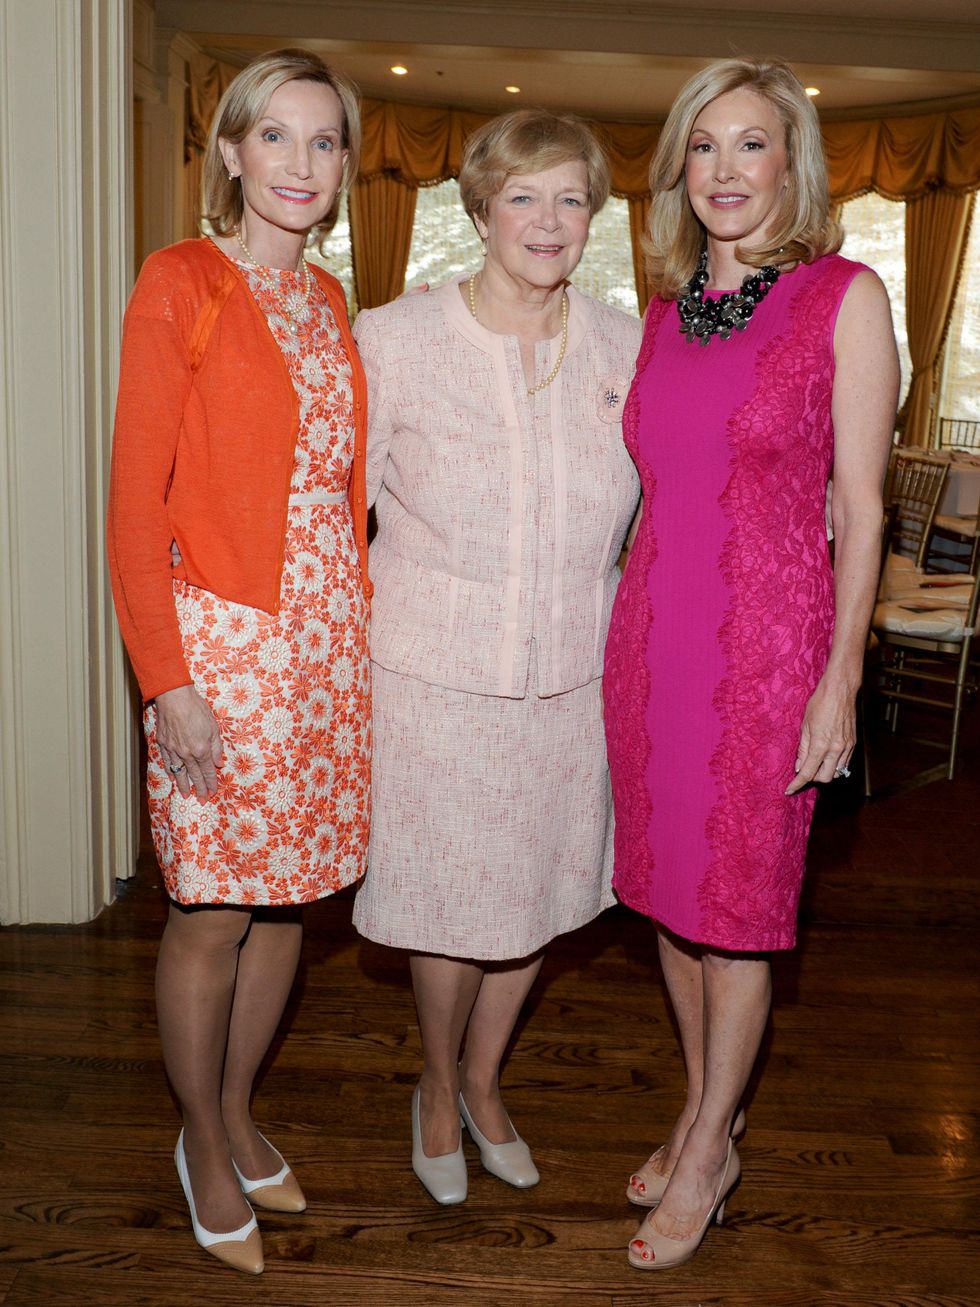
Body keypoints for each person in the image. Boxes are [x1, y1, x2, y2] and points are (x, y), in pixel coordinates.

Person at [602, 57, 898, 1270]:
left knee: (736, 916)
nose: (724, 171)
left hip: (769, 649)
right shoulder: (661, 313)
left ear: (791, 164)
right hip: (649, 639)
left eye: (751, 146)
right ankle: (696, 1107)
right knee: (673, 900)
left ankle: (713, 1145)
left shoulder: (845, 295)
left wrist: (838, 680)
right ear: (679, 166)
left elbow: (865, 511)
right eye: (703, 146)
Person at [106, 50, 370, 1274]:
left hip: (322, 643)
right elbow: (132, 501)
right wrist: (168, 680)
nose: (301, 165)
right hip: (217, 642)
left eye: (324, 142)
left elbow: (337, 493)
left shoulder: (330, 304)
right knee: (211, 909)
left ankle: (243, 1102)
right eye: (277, 137)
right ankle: (201, 1134)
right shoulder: (182, 280)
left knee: (287, 907)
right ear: (229, 153)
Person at [352, 109, 641, 1204]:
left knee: (528, 899)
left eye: (570, 198)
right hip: (429, 677)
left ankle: (484, 1080)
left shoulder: (624, 346)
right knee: (450, 902)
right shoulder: (393, 338)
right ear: (477, 209)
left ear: (592, 217)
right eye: (522, 196)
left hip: (571, 680)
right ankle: (434, 1082)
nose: (547, 219)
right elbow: (337, 520)